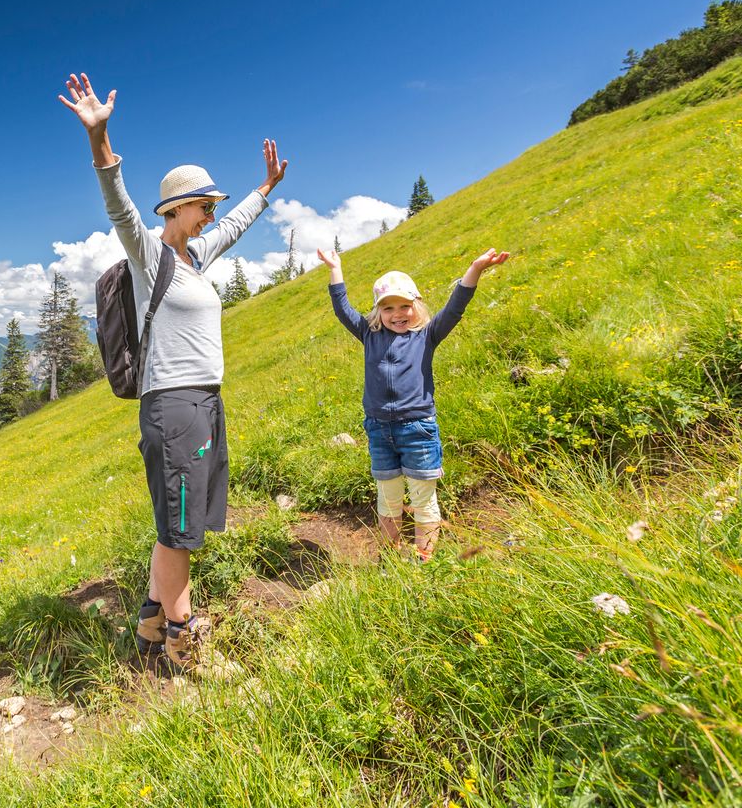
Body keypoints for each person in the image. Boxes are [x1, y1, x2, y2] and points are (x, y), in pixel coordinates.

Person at [58, 72, 288, 671]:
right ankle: (183, 644)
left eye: (213, 205)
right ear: (175, 208)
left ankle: (150, 625)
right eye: (204, 205)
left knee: (179, 524)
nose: (212, 213)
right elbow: (118, 202)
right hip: (173, 404)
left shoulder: (195, 255)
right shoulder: (149, 252)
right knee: (179, 528)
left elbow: (236, 229)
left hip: (205, 402)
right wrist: (99, 139)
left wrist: (264, 190)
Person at [317, 246, 509, 559]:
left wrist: (475, 269)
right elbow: (342, 309)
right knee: (388, 497)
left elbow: (456, 307)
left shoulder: (428, 335)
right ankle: (391, 555)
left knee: (422, 497)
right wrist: (334, 268)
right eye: (388, 308)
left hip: (417, 429)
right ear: (378, 312)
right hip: (379, 430)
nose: (397, 314)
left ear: (416, 306)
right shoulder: (369, 334)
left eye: (404, 306)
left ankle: (425, 557)